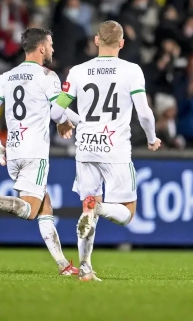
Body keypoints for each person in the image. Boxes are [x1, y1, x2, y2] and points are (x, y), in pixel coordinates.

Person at [0, 28, 80, 276]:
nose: (52, 49)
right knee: (30, 210)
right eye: (50, 45)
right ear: (41, 47)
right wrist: (78, 122)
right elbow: (58, 110)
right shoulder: (48, 76)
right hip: (35, 152)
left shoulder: (7, 76)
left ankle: (63, 265)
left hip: (14, 150)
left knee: (45, 205)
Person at [54, 20, 161, 281]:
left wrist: (70, 122)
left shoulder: (78, 71)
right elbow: (144, 113)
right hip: (116, 149)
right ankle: (99, 208)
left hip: (86, 147)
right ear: (122, 43)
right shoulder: (132, 71)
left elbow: (56, 111)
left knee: (86, 209)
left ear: (96, 41)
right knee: (127, 214)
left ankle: (85, 268)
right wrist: (152, 138)